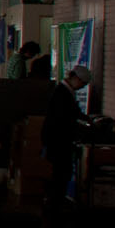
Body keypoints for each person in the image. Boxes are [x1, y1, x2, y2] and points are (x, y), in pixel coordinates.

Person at [41, 64, 92, 213]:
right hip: (59, 141)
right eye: (82, 83)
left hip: (56, 140)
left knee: (60, 172)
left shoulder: (63, 91)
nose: (82, 87)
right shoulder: (62, 93)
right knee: (61, 173)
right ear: (75, 78)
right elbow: (65, 117)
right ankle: (55, 205)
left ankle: (55, 203)